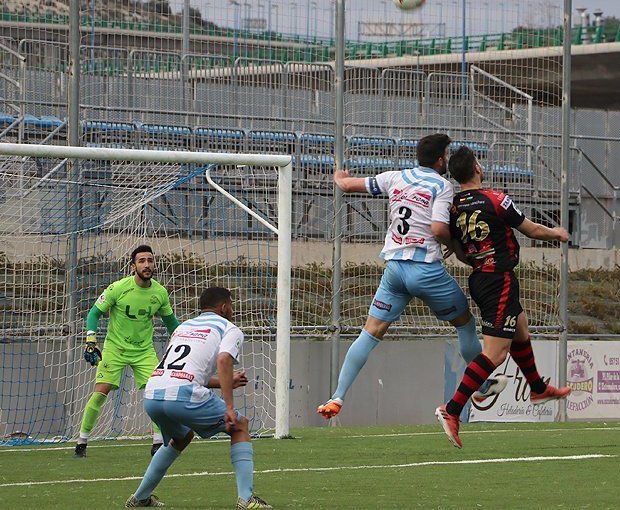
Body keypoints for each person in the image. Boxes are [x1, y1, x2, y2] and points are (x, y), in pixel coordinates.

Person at [317, 133, 502, 420]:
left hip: (394, 270)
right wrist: (453, 246)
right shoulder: (441, 186)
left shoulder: (395, 177)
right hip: (426, 271)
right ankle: (482, 386)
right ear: (441, 159)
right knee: (465, 324)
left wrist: (340, 178)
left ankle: (338, 396)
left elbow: (349, 185)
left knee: (370, 332)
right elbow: (439, 228)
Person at [434, 146, 572, 448]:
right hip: (498, 279)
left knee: (521, 328)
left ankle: (536, 388)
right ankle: (452, 409)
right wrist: (558, 233)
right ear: (477, 168)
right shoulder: (495, 199)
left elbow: (456, 247)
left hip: (481, 277)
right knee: (496, 354)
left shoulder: (453, 207)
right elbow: (532, 230)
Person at [125, 287, 271, 509]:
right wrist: (229, 406)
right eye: (231, 305)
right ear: (224, 307)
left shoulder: (183, 327)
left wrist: (225, 381)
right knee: (239, 425)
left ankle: (140, 497)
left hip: (153, 393)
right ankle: (246, 499)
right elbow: (223, 361)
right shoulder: (228, 328)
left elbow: (186, 371)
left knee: (182, 436)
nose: (232, 310)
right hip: (183, 394)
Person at [75, 245, 180, 458]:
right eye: (141, 261)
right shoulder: (118, 288)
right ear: (133, 266)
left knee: (156, 393)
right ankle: (81, 442)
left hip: (143, 351)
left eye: (150, 260)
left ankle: (157, 443)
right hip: (115, 348)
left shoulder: (160, 293)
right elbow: (94, 313)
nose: (147, 265)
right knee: (100, 392)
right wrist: (90, 340)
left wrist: (184, 340)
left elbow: (171, 323)